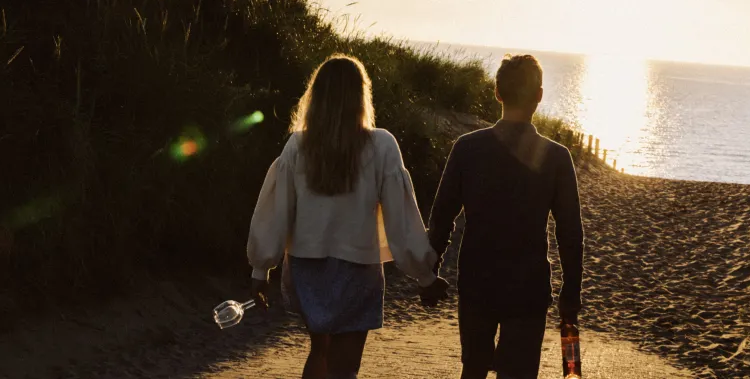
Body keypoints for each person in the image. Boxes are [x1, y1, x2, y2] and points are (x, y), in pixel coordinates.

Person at [247, 54, 448, 379]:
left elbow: (275, 210)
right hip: (359, 268)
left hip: (307, 267)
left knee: (320, 350)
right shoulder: (382, 145)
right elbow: (401, 218)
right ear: (361, 96)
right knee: (346, 363)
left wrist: (261, 266)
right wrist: (424, 275)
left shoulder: (298, 145)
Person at [427, 54, 584, 379]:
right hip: (528, 289)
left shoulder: (467, 148)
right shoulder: (556, 157)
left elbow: (442, 216)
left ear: (497, 93)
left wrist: (429, 272)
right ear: (539, 96)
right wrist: (570, 293)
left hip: (476, 283)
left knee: (473, 369)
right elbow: (570, 233)